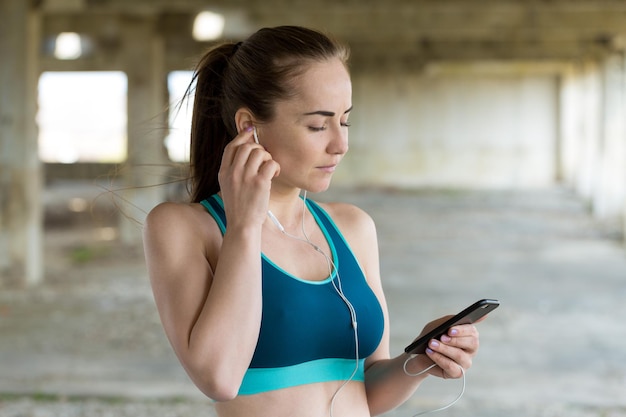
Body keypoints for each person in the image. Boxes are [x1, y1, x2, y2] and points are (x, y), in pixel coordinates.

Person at [143, 26, 480, 417]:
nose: (341, 144)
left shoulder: (353, 228)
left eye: (345, 121)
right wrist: (245, 226)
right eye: (318, 125)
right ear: (248, 126)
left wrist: (423, 358)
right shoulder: (184, 227)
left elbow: (368, 393)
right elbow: (219, 378)